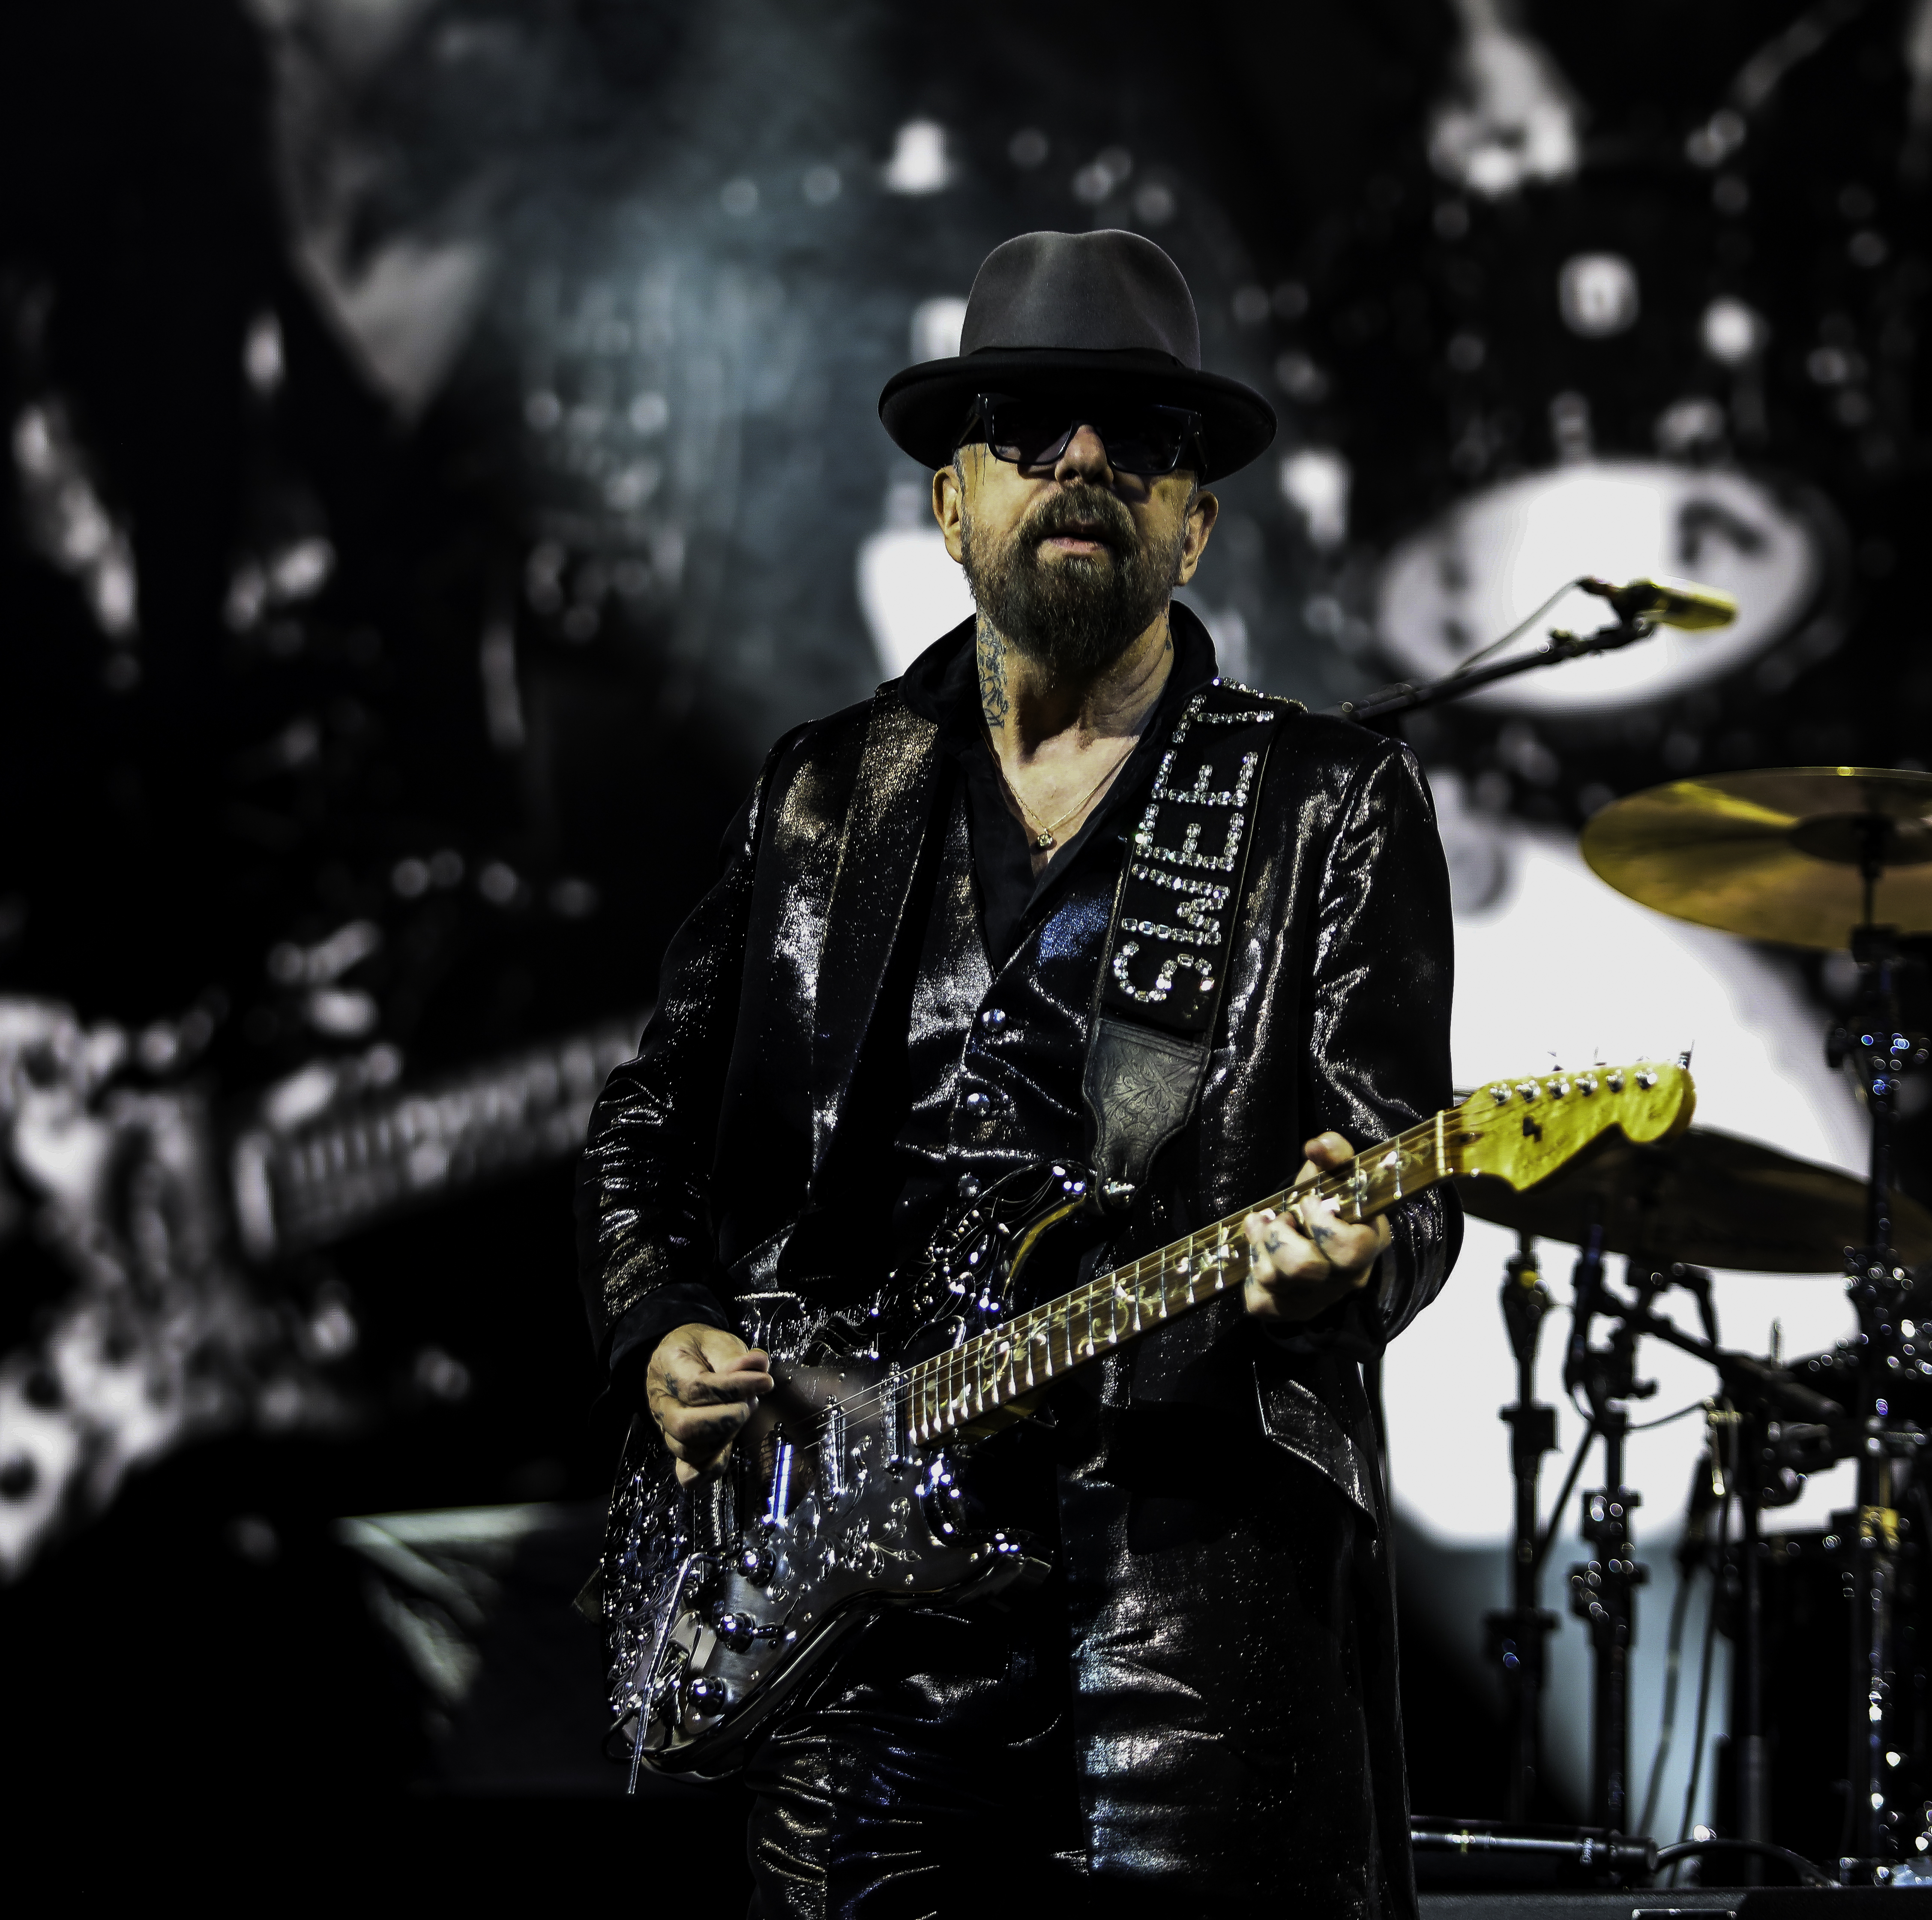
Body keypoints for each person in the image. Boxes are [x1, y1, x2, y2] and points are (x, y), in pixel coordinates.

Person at [580, 230, 1459, 1915]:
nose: (1085, 464)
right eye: (1034, 425)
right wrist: (659, 1322)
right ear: (950, 501)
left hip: (1186, 1623)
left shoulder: (1321, 805)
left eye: (1138, 440)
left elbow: (1391, 1162)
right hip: (853, 1615)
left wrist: (1364, 1246)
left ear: (1194, 520)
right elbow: (649, 1120)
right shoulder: (821, 797)